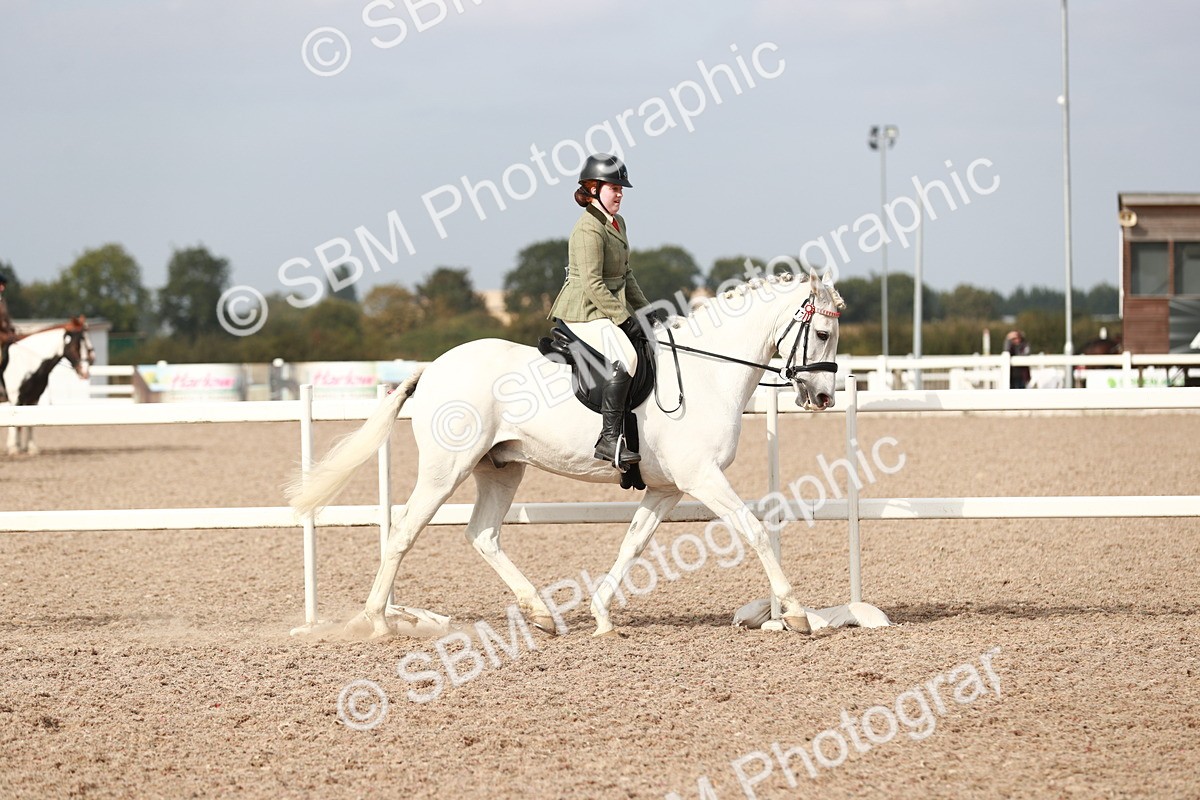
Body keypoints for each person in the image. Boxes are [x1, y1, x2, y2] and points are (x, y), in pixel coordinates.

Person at [548, 154, 651, 470]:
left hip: (604, 309)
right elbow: (593, 283)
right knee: (628, 357)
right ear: (592, 189)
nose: (619, 193)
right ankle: (608, 439)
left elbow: (626, 275)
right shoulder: (588, 229)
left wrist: (648, 313)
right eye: (613, 187)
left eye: (621, 188)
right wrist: (624, 320)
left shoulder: (617, 223)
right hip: (582, 311)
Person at [0, 273, 17, 404]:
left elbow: (7, 319)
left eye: (3, 285)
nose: (2, 288)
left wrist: (12, 331)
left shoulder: (2, 300)